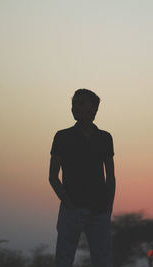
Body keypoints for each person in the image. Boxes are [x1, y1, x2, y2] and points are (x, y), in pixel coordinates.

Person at [49, 88, 116, 267]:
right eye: (74, 104)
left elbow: (111, 176)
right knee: (64, 259)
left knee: (103, 260)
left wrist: (108, 206)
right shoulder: (62, 136)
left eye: (81, 104)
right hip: (72, 209)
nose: (75, 108)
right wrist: (68, 202)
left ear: (94, 109)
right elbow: (52, 176)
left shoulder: (105, 138)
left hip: (99, 210)